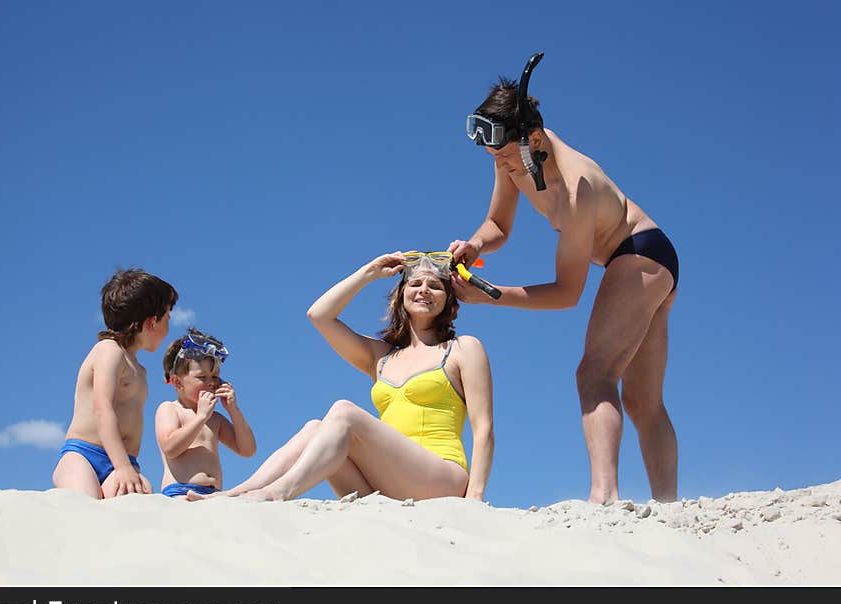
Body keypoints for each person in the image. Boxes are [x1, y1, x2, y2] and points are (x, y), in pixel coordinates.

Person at [452, 53, 679, 504]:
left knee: (594, 374)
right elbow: (498, 224)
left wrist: (491, 296)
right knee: (641, 401)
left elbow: (566, 294)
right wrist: (475, 245)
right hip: (654, 259)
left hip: (637, 253)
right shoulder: (516, 155)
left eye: (505, 159)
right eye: (493, 158)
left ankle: (604, 497)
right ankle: (670, 509)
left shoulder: (578, 192)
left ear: (533, 138)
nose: (501, 167)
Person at [187, 251, 495, 503]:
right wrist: (369, 272)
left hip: (441, 480)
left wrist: (475, 498)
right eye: (415, 284)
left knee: (345, 413)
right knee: (314, 429)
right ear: (402, 294)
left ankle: (276, 494)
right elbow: (319, 315)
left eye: (435, 285)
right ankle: (236, 494)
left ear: (447, 300)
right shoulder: (381, 357)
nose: (424, 290)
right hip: (389, 485)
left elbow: (483, 428)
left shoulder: (462, 349)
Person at [52, 268, 178, 499]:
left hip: (126, 461)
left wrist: (125, 466)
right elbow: (103, 410)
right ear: (153, 321)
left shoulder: (139, 369)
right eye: (168, 317)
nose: (169, 325)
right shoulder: (109, 351)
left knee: (136, 504)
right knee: (83, 505)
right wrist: (122, 467)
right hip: (84, 455)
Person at [154, 328, 257, 498]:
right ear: (178, 383)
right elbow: (170, 448)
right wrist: (200, 417)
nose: (210, 383)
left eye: (215, 377)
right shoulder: (170, 409)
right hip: (180, 492)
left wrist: (233, 410)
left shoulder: (215, 419)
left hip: (213, 495)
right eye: (202, 377)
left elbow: (247, 450)